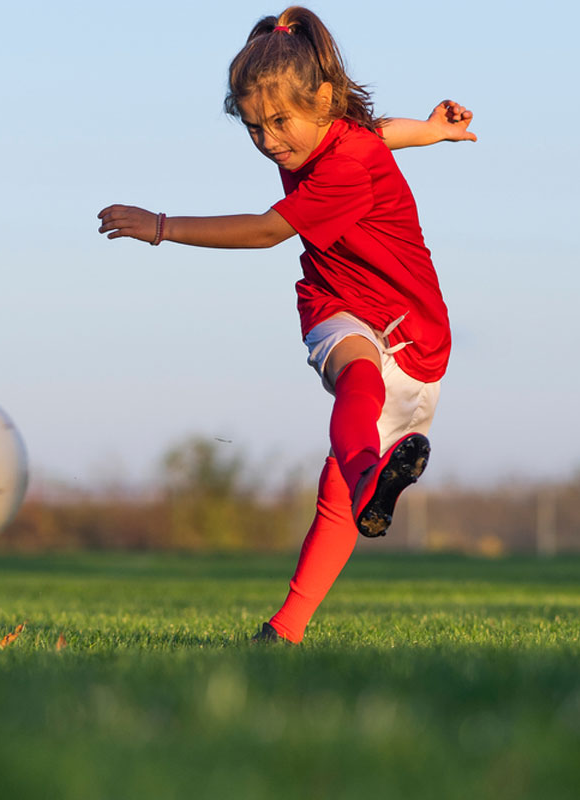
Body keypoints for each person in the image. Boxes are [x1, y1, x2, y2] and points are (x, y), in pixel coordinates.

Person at [96, 5, 475, 644]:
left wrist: (162, 227)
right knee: (357, 377)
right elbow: (382, 131)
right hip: (337, 301)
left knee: (337, 504)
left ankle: (297, 609)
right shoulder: (334, 133)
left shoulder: (344, 163)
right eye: (253, 128)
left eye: (279, 122)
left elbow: (269, 231)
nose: (271, 141)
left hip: (415, 331)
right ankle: (359, 499)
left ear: (323, 100)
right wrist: (432, 131)